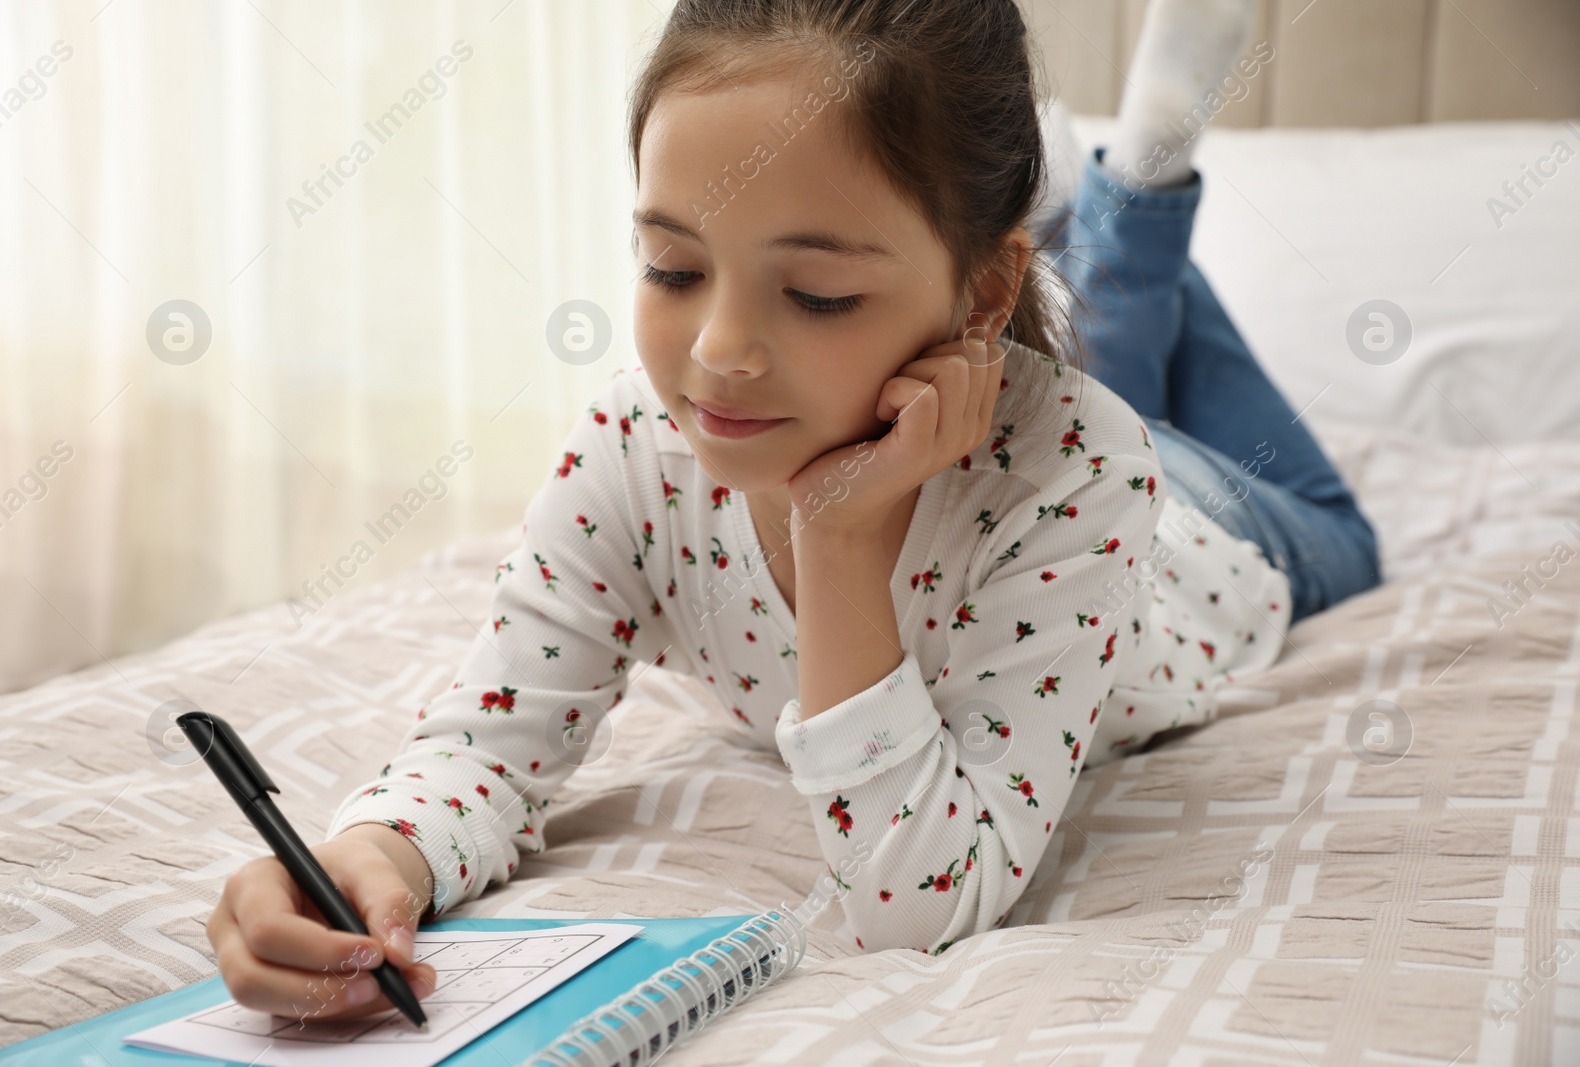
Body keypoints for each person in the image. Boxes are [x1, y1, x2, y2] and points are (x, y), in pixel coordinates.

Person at [205, 0, 1380, 1020]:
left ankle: (1136, 190)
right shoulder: (634, 449)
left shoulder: (1082, 476)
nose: (717, 354)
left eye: (815, 294)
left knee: (1317, 515)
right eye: (672, 268)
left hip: (1195, 544)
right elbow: (482, 748)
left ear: (980, 289)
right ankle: (1101, 213)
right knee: (1106, 362)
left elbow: (921, 898)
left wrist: (840, 534)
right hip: (1003, 375)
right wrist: (368, 852)